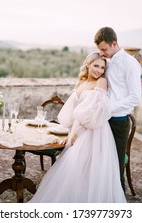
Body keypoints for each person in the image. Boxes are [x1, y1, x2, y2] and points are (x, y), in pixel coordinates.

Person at [29, 52, 126, 203]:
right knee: (74, 170)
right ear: (87, 64)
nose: (99, 70)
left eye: (102, 67)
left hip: (95, 131)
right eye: (96, 66)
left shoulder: (101, 82)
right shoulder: (81, 84)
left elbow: (92, 112)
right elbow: (74, 114)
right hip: (78, 129)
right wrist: (70, 134)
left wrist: (75, 135)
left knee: (88, 169)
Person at [94, 27, 142, 192]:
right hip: (104, 120)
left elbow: (136, 97)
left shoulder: (130, 63)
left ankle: (119, 205)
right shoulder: (110, 60)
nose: (101, 53)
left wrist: (108, 107)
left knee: (116, 168)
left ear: (114, 43)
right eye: (99, 50)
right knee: (103, 166)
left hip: (119, 123)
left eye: (104, 49)